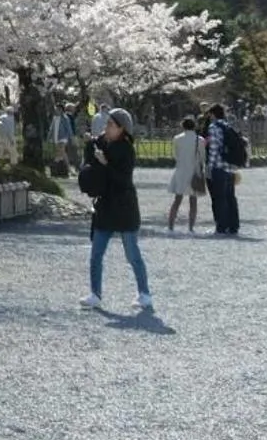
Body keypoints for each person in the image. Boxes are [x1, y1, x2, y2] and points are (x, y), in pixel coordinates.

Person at [77, 108, 152, 311]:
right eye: (107, 123)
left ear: (121, 129)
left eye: (111, 124)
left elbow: (122, 179)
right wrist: (89, 142)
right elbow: (92, 149)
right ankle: (95, 293)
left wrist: (105, 163)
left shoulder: (126, 149)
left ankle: (144, 293)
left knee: (132, 254)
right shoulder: (102, 142)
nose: (106, 127)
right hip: (105, 205)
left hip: (124, 205)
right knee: (96, 253)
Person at [205, 104, 242, 236]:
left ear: (213, 114)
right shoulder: (228, 125)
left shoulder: (214, 127)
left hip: (219, 166)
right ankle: (233, 226)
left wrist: (209, 166)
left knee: (219, 198)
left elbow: (214, 148)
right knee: (230, 197)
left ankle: (221, 226)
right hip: (230, 167)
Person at [166, 115, 204, 234]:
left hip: (181, 170)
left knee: (177, 200)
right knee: (193, 201)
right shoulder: (200, 140)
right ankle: (191, 227)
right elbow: (202, 157)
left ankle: (171, 226)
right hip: (194, 170)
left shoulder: (177, 138)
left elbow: (176, 155)